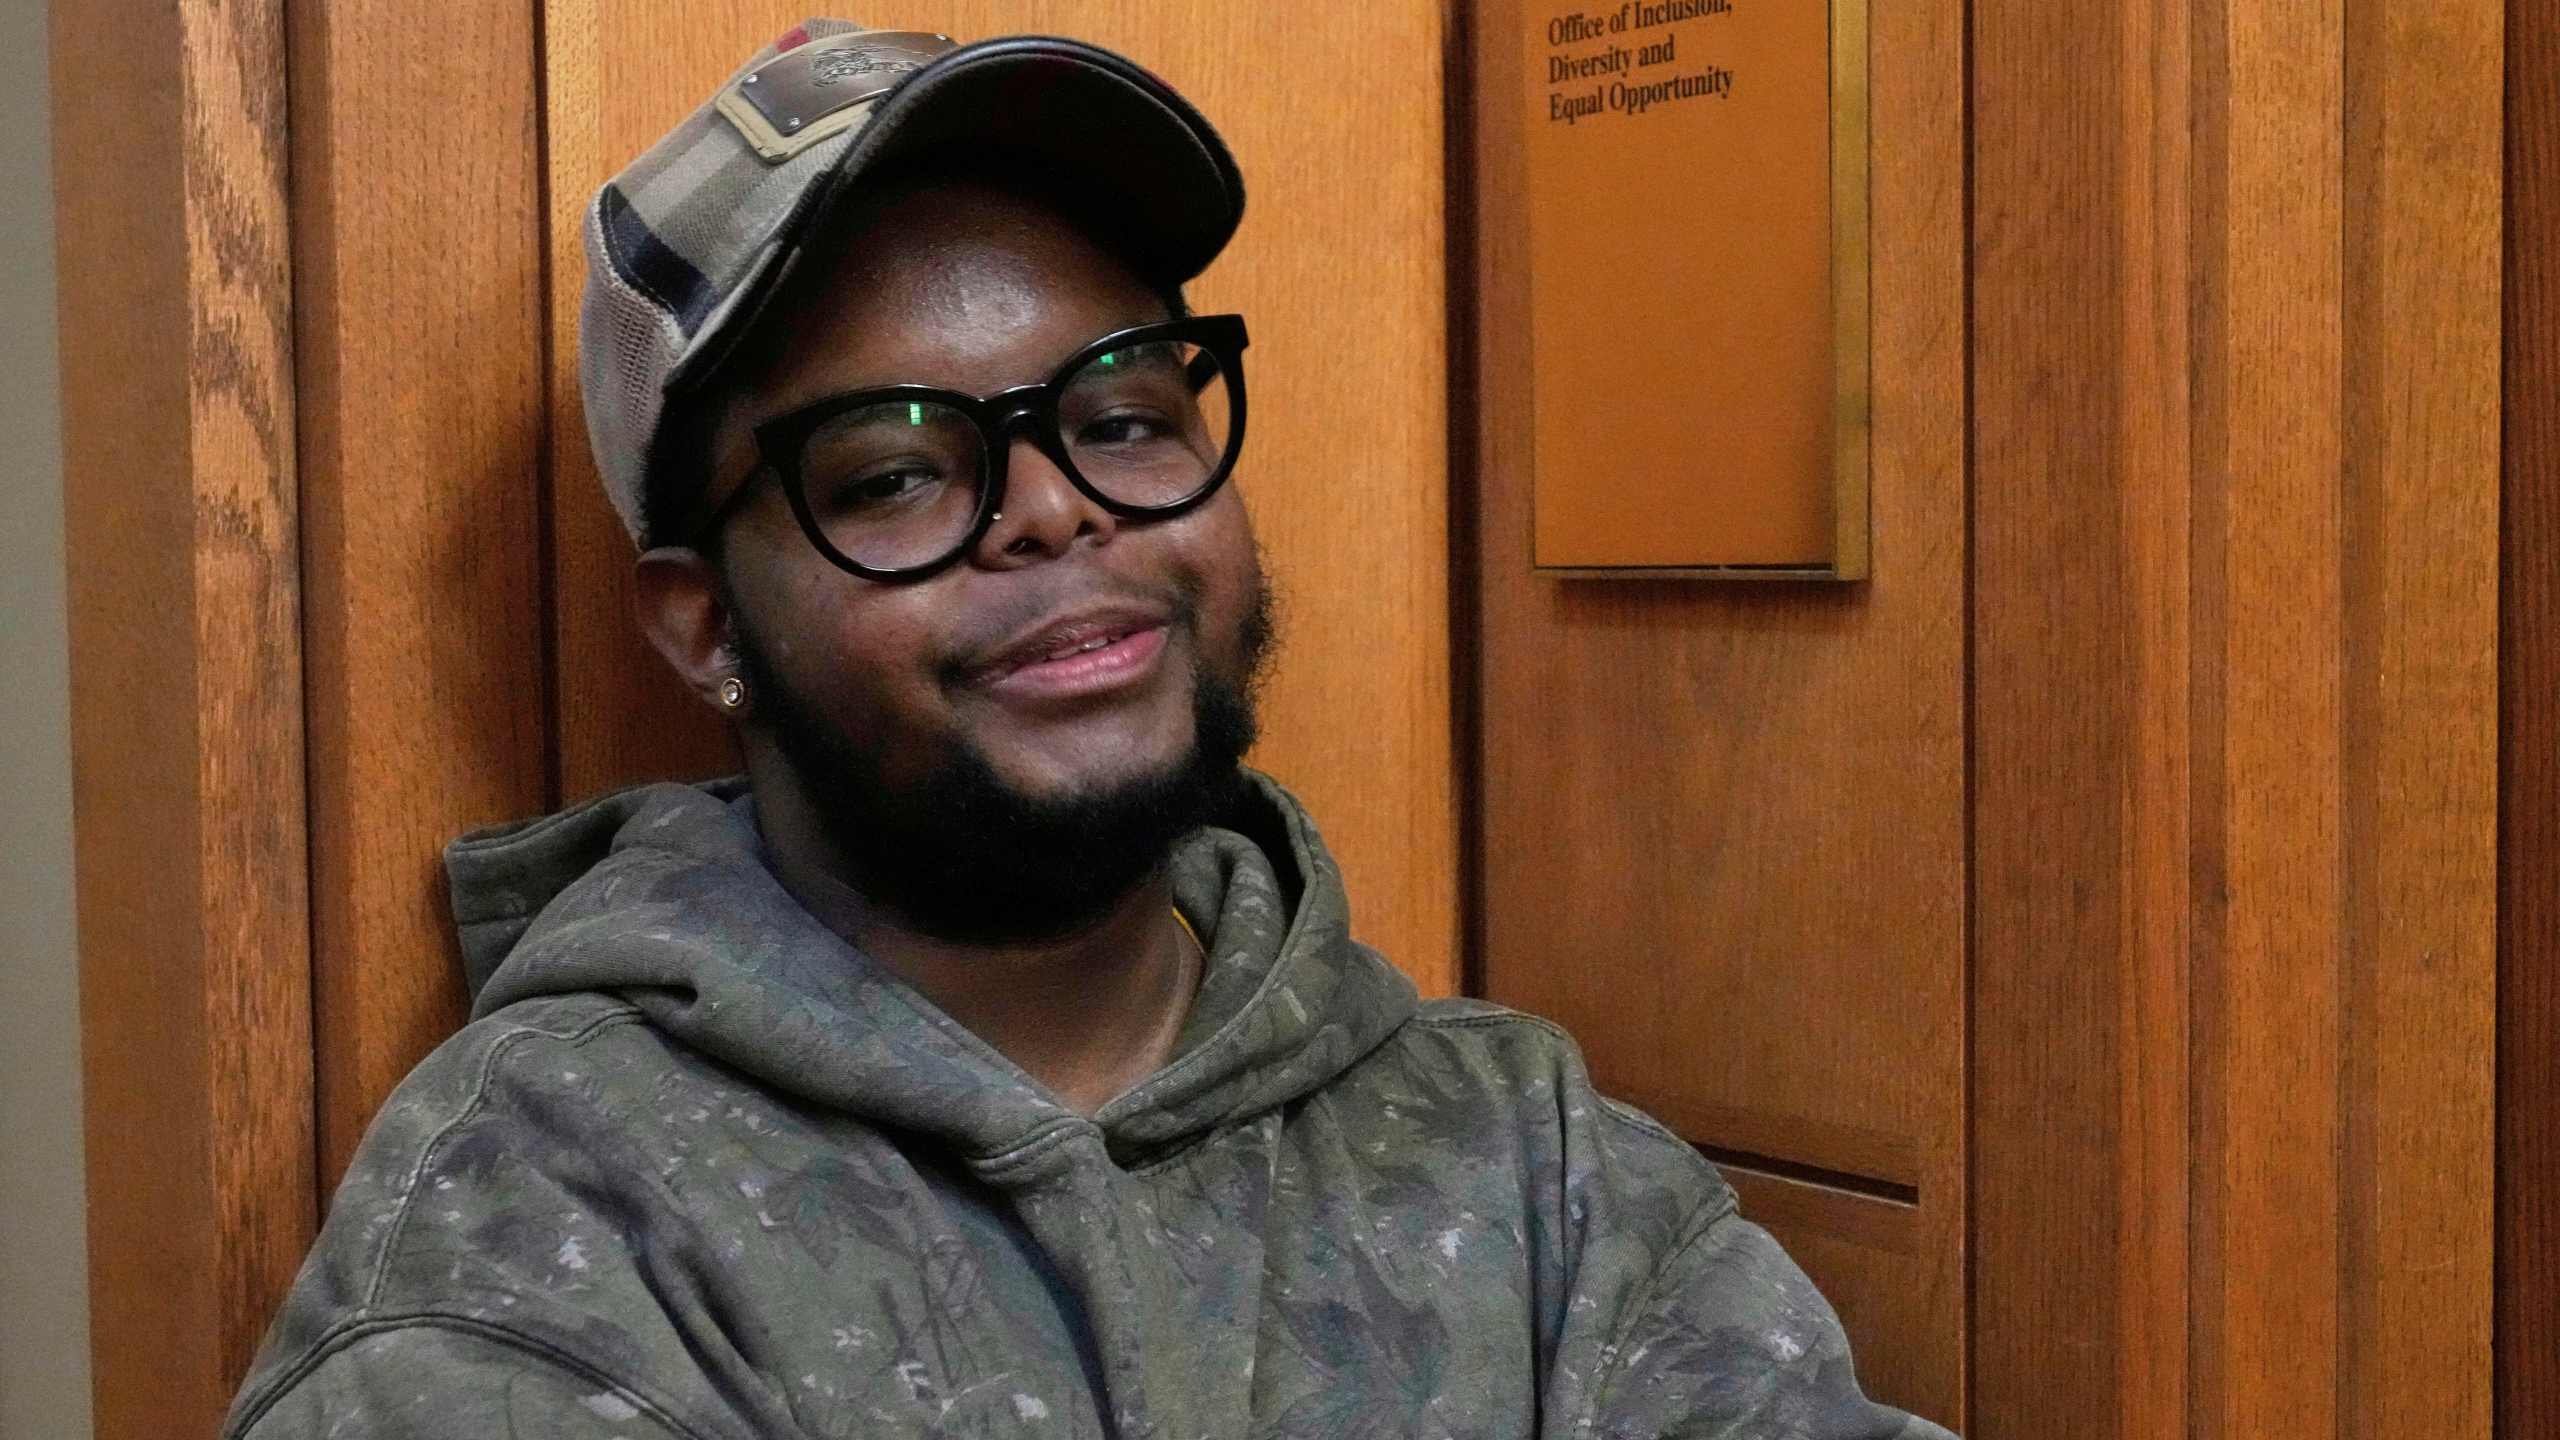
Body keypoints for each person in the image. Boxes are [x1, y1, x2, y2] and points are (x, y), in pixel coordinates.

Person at [223, 20, 1957, 1439]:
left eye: (1122, 414)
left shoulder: (1525, 1164)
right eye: (898, 471)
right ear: (706, 629)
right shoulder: (541, 1233)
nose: (1055, 510)